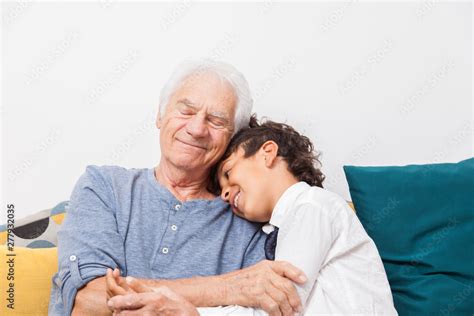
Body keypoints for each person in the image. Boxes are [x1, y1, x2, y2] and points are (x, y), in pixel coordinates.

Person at [48, 60, 306, 316]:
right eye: (185, 111)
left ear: (232, 139)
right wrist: (228, 288)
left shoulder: (251, 221)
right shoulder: (104, 186)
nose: (196, 129)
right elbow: (87, 303)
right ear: (160, 115)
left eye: (216, 121)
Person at [107, 116, 398, 315]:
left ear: (267, 153)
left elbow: (282, 305)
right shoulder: (278, 232)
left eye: (229, 172)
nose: (224, 193)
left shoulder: (312, 205)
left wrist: (187, 309)